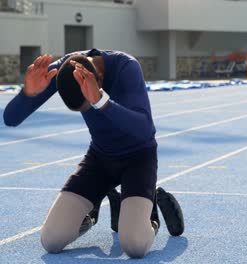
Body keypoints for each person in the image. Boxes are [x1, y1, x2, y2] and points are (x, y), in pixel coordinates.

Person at [3, 49, 183, 258]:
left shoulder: (126, 67)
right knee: (51, 240)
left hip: (138, 158)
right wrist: (28, 94)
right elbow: (10, 119)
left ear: (98, 79)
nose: (88, 111)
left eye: (87, 106)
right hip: (100, 159)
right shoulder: (66, 69)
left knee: (135, 245)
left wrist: (101, 101)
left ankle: (151, 211)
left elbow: (144, 129)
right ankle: (91, 214)